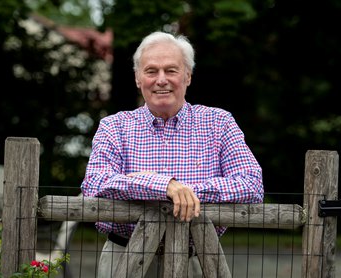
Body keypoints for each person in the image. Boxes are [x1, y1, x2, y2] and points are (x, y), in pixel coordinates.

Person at [81, 30, 264, 278]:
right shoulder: (114, 127)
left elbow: (251, 184)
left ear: (187, 76)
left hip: (198, 259)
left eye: (171, 70)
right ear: (137, 78)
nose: (161, 79)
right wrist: (164, 185)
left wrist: (186, 193)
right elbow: (95, 183)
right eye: (151, 71)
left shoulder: (219, 123)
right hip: (123, 259)